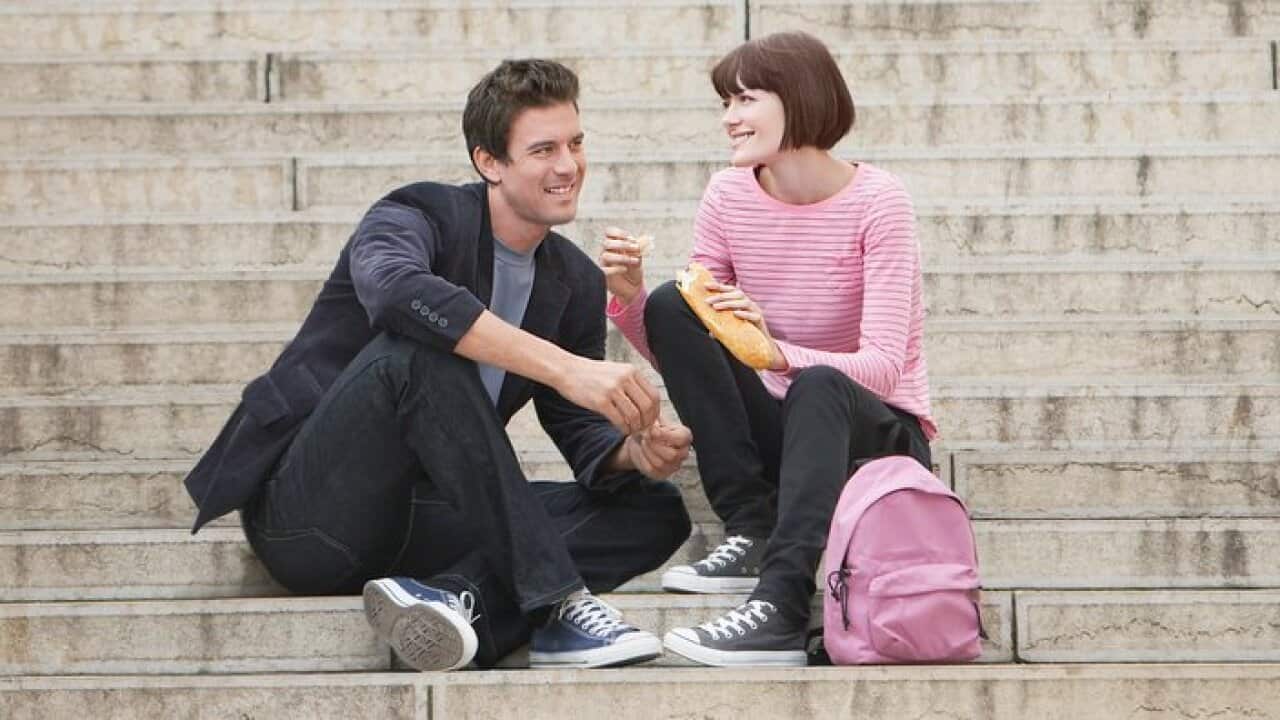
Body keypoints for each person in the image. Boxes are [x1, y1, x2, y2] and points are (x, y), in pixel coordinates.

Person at [184, 59, 694, 672]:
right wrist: (564, 366)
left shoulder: (573, 281)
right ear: (489, 162)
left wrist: (631, 455)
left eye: (575, 143)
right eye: (543, 149)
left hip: (427, 519)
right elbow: (397, 292)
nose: (568, 166)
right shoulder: (416, 214)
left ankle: (456, 605)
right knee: (419, 351)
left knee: (655, 509)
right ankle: (557, 607)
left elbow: (580, 430)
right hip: (313, 519)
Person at [600, 31, 936, 667]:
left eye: (745, 99)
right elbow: (689, 343)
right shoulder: (728, 195)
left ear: (799, 99)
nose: (730, 118)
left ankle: (780, 607)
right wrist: (630, 299)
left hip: (875, 436)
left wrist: (780, 353)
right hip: (790, 434)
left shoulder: (879, 201)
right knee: (677, 299)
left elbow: (886, 365)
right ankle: (752, 528)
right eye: (725, 102)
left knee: (818, 384)